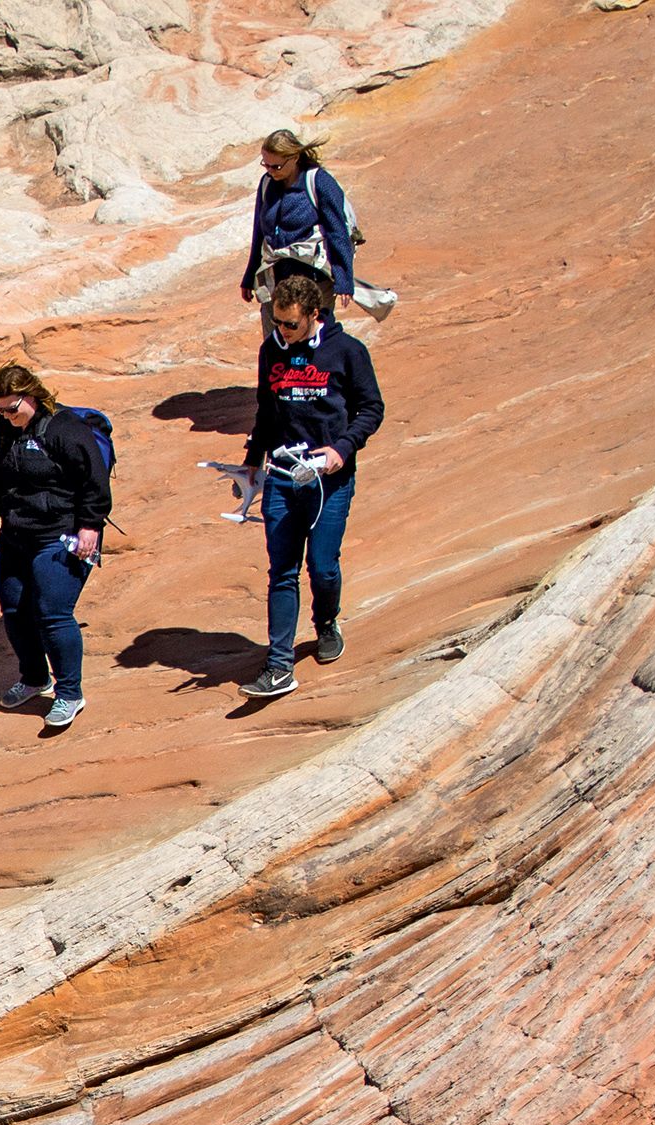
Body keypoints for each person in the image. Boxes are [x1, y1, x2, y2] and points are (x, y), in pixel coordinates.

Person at [242, 268, 384, 699]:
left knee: (322, 565)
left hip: (330, 481)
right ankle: (279, 664)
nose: (282, 331)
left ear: (314, 315)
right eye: (277, 322)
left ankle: (326, 621)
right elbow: (267, 409)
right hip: (284, 477)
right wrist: (251, 462)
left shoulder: (347, 352)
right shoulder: (273, 351)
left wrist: (342, 448)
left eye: (290, 323)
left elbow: (371, 409)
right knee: (282, 571)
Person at [0, 363, 110, 732]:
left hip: (61, 534)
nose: (5, 416)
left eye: (11, 408)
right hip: (17, 533)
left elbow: (94, 481)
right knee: (15, 608)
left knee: (52, 613)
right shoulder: (3, 428)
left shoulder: (65, 430)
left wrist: (90, 526)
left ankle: (70, 693)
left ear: (31, 397)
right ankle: (36, 678)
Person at [239, 129, 392, 321]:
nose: (269, 170)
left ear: (294, 157)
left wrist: (343, 278)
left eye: (275, 166)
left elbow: (337, 232)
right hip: (277, 280)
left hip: (313, 281)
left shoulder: (319, 182)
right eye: (266, 164)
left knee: (315, 339)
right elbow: (260, 233)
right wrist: (250, 275)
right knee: (277, 344)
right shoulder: (267, 184)